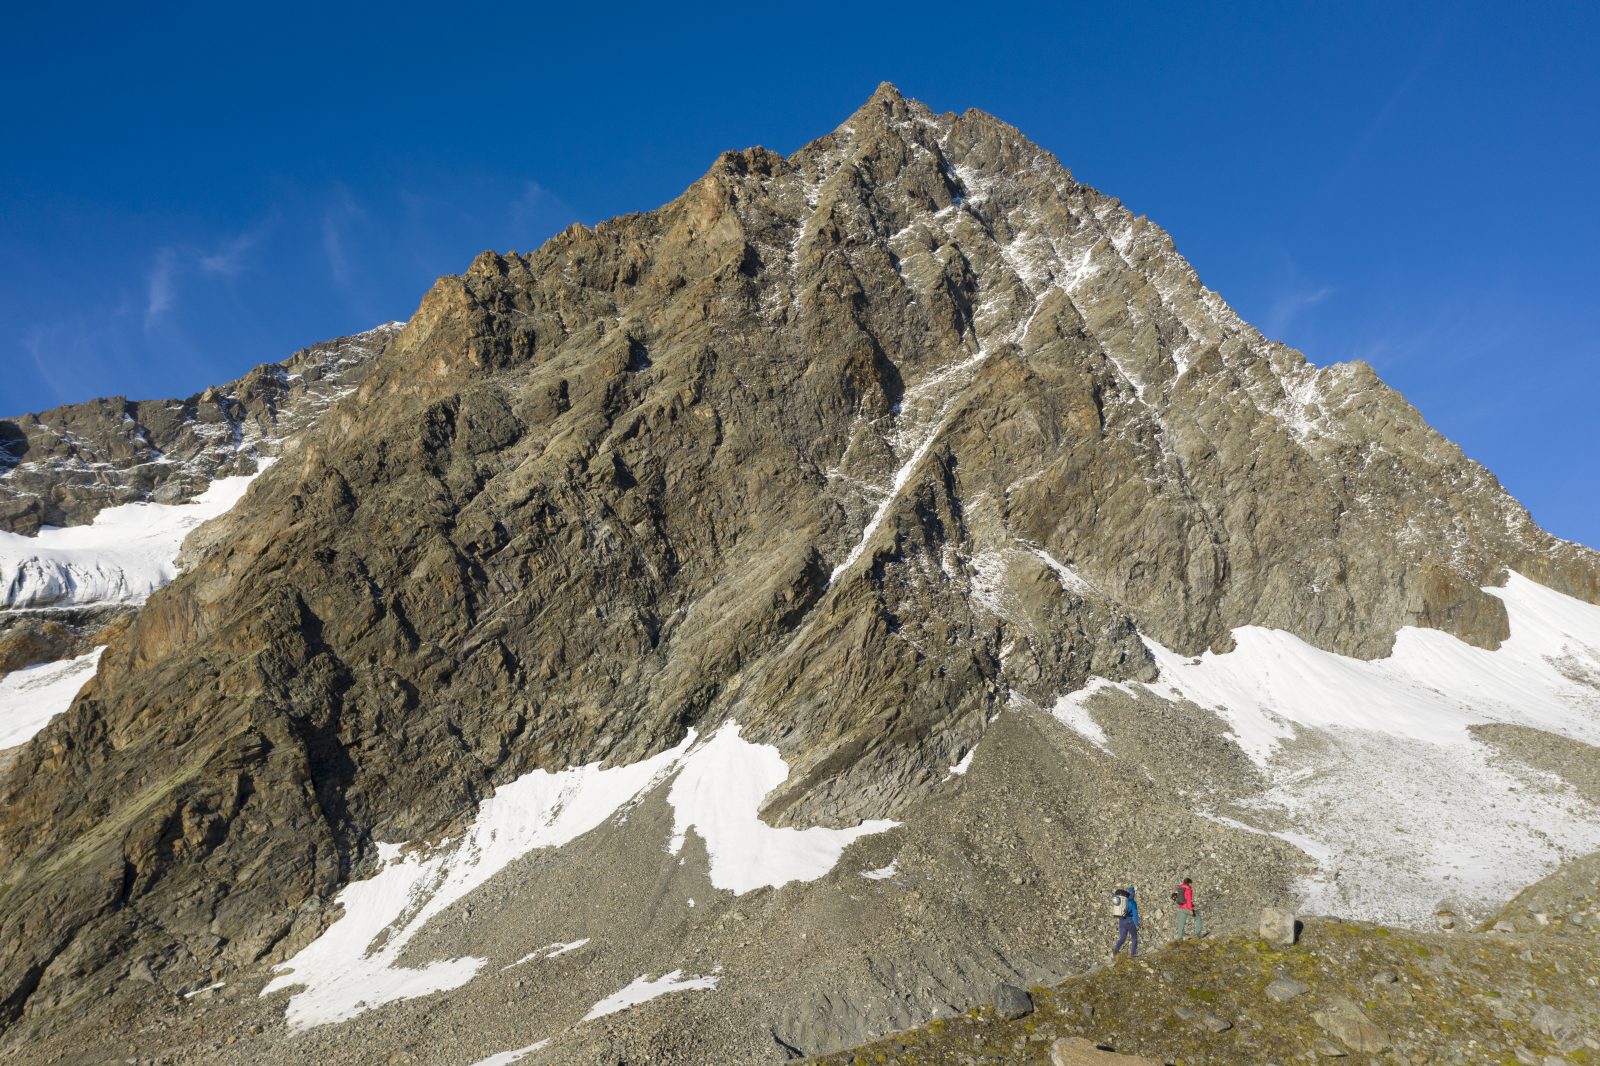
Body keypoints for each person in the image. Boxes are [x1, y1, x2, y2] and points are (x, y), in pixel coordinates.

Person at [1112, 885, 1140, 958]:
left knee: (1122, 938)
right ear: (1133, 893)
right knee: (1134, 937)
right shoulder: (1133, 902)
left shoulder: (1122, 901)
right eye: (1134, 892)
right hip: (1130, 921)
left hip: (1121, 920)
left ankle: (1116, 950)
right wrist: (1136, 925)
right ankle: (1133, 953)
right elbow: (1135, 914)